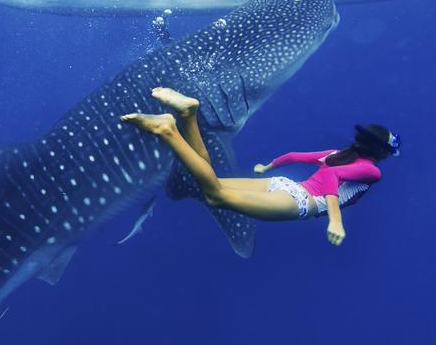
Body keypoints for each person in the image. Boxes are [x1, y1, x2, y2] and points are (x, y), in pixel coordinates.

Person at [121, 87, 400, 246]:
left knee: (207, 181)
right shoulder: (372, 171)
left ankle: (188, 115)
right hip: (300, 203)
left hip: (284, 185)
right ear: (383, 151)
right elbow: (332, 175)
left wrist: (268, 167)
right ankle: (168, 129)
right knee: (214, 195)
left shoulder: (340, 153)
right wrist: (335, 221)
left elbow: (295, 155)